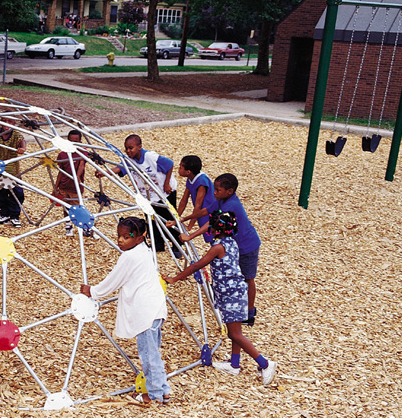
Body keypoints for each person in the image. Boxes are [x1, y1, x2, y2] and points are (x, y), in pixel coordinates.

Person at [165, 211, 277, 386]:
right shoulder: (231, 242)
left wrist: (175, 278)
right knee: (235, 330)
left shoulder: (217, 248)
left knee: (235, 333)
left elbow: (197, 265)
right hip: (235, 292)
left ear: (215, 229)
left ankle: (265, 363)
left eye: (211, 226)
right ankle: (234, 364)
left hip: (231, 294)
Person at [80, 217, 169, 406]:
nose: (120, 240)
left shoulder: (129, 257)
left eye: (126, 237)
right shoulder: (145, 251)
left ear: (139, 238)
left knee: (148, 355)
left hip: (145, 311)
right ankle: (163, 390)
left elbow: (114, 280)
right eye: (119, 236)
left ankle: (154, 395)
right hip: (156, 308)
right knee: (154, 353)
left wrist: (93, 291)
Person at [180, 172, 262, 326]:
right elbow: (206, 211)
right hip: (235, 245)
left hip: (247, 245)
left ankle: (250, 313)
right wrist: (185, 218)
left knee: (248, 278)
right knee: (237, 276)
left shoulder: (231, 206)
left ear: (229, 191)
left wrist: (191, 236)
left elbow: (211, 222)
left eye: (217, 190)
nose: (214, 193)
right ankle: (237, 306)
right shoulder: (222, 200)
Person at [112, 134, 177, 252]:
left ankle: (177, 244)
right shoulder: (129, 161)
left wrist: (166, 184)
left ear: (139, 147)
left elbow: (170, 164)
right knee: (151, 219)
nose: (128, 151)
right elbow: (119, 168)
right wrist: (104, 172)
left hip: (164, 192)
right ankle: (158, 245)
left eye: (130, 148)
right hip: (148, 196)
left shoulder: (150, 157)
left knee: (169, 218)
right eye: (126, 148)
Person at [52, 129, 86, 235]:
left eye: (76, 141)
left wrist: (77, 177)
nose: (73, 143)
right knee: (66, 207)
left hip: (75, 187)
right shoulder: (62, 155)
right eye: (71, 141)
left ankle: (84, 226)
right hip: (64, 186)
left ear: (80, 142)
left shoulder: (82, 153)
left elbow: (81, 165)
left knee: (78, 208)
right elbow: (60, 172)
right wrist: (55, 187)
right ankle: (68, 224)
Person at [175, 154, 213, 245]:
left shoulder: (201, 182)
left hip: (208, 212)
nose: (178, 169)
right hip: (201, 213)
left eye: (181, 167)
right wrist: (176, 218)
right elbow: (184, 200)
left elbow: (198, 206)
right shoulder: (190, 179)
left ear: (188, 171)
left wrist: (189, 227)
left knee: (213, 236)